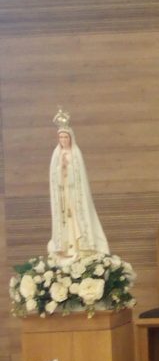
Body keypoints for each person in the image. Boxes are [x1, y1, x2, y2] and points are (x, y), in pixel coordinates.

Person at [47, 108, 109, 258]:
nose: (63, 140)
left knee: (75, 217)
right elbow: (54, 177)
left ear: (70, 138)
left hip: (75, 193)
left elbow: (78, 175)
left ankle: (80, 245)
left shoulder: (75, 153)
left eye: (65, 137)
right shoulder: (56, 154)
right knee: (64, 218)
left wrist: (67, 167)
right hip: (62, 193)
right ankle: (65, 247)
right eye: (61, 137)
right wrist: (61, 168)